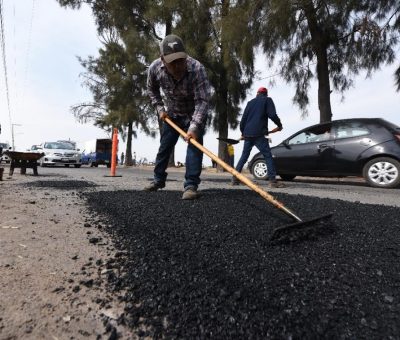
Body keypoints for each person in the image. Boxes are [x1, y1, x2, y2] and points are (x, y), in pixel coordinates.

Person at [145, 34, 210, 200]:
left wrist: (194, 127)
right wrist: (159, 108)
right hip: (172, 114)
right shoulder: (154, 68)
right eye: (172, 62)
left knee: (194, 147)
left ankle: (190, 186)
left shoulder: (197, 69)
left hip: (193, 113)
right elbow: (151, 90)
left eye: (180, 60)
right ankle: (158, 180)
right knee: (165, 147)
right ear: (163, 59)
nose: (178, 65)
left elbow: (202, 101)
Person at [232, 87, 285, 188]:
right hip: (259, 134)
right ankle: (272, 181)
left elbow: (243, 120)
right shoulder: (267, 100)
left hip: (248, 133)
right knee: (268, 156)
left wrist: (243, 132)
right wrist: (279, 125)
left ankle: (235, 178)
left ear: (257, 93)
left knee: (244, 156)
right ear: (266, 94)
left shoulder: (250, 103)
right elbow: (272, 115)